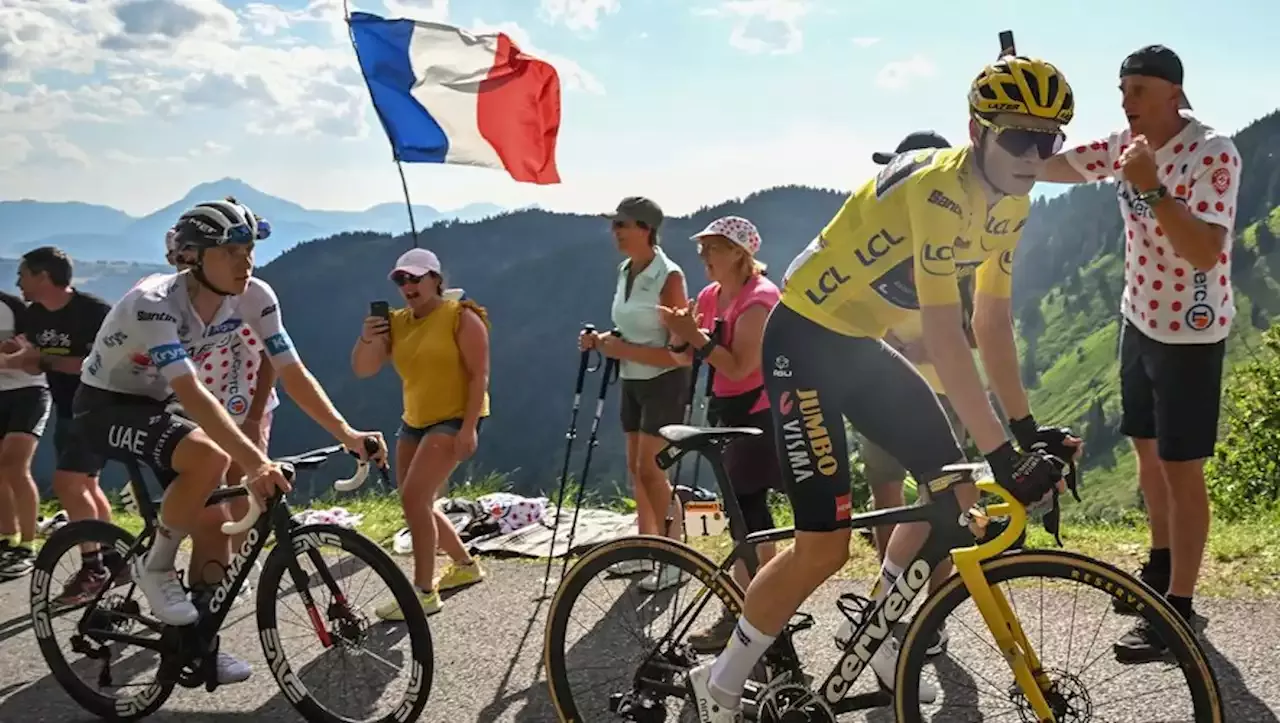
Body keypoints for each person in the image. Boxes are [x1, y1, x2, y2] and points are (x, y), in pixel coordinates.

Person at [685, 55, 1081, 722]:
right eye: (1018, 136)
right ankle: (719, 681)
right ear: (976, 130)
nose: (1033, 155)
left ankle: (882, 635)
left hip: (858, 346)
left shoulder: (1011, 203)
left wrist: (1025, 428)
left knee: (957, 500)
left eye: (1050, 139)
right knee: (824, 545)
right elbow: (945, 333)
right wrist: (1004, 457)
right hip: (804, 340)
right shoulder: (940, 191)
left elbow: (990, 319)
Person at [72, 197, 388, 686]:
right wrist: (257, 461)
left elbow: (292, 370)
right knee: (209, 456)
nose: (247, 261)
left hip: (161, 405)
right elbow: (192, 391)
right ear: (195, 257)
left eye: (249, 248)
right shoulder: (152, 302)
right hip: (106, 403)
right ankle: (155, 568)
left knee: (216, 527)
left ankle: (199, 645)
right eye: (232, 251)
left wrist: (346, 433)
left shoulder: (255, 295)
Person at [1038, 44, 1240, 662]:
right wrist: (1016, 146)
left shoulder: (1214, 152)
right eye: (1122, 91)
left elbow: (1204, 251)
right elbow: (1062, 168)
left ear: (1175, 93)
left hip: (1191, 333)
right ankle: (1159, 568)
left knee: (1183, 472)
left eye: (1139, 92)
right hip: (1139, 319)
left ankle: (1177, 612)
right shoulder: (1125, 146)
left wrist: (1150, 186)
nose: (1126, 104)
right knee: (1148, 456)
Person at [836, 131, 973, 655]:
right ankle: (890, 608)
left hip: (936, 394)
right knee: (888, 501)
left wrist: (912, 351)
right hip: (881, 393)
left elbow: (972, 334)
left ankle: (933, 618)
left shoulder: (956, 247)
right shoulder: (886, 242)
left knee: (938, 506)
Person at [658, 215, 785, 652]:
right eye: (702, 247)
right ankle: (760, 610)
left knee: (748, 517)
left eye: (711, 247)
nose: (702, 255)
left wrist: (693, 337)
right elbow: (685, 356)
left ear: (737, 252)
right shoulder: (713, 295)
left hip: (761, 416)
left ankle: (748, 615)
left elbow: (741, 368)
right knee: (749, 515)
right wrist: (681, 335)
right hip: (730, 415)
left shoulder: (760, 299)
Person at [351, 247, 490, 619]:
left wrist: (469, 428)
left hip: (454, 417)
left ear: (435, 279)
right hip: (414, 420)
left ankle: (423, 593)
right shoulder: (395, 323)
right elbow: (364, 369)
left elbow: (479, 375)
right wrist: (368, 337)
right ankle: (464, 565)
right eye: (401, 279)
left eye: (416, 277)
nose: (408, 285)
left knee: (414, 498)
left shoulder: (461, 317)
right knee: (418, 501)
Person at [580, 196, 691, 592]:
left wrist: (620, 349)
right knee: (636, 468)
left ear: (645, 228)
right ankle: (645, 552)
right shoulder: (626, 269)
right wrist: (603, 341)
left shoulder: (669, 278)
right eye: (614, 225)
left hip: (664, 382)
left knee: (652, 470)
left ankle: (675, 556)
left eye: (622, 225)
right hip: (633, 380)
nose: (615, 232)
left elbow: (682, 354)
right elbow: (630, 329)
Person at [164, 226, 279, 603]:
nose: (175, 266)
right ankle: (215, 564)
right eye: (171, 260)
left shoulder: (243, 300)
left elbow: (271, 361)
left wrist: (253, 416)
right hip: (203, 410)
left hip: (246, 408)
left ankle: (242, 563)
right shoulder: (176, 302)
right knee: (212, 496)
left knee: (246, 486)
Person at [8, 247, 124, 601]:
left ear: (43, 276)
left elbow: (98, 364)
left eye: (23, 275)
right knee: (86, 485)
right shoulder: (34, 316)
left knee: (68, 484)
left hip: (100, 408)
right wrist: (19, 358)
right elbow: (34, 363)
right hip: (67, 409)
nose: (18, 282)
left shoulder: (94, 312)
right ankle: (114, 557)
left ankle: (94, 568)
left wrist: (40, 359)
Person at [0, 289, 50, 581]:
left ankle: (28, 546)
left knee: (15, 466)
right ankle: (7, 538)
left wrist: (17, 353)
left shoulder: (12, 306)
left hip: (29, 392)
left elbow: (35, 356)